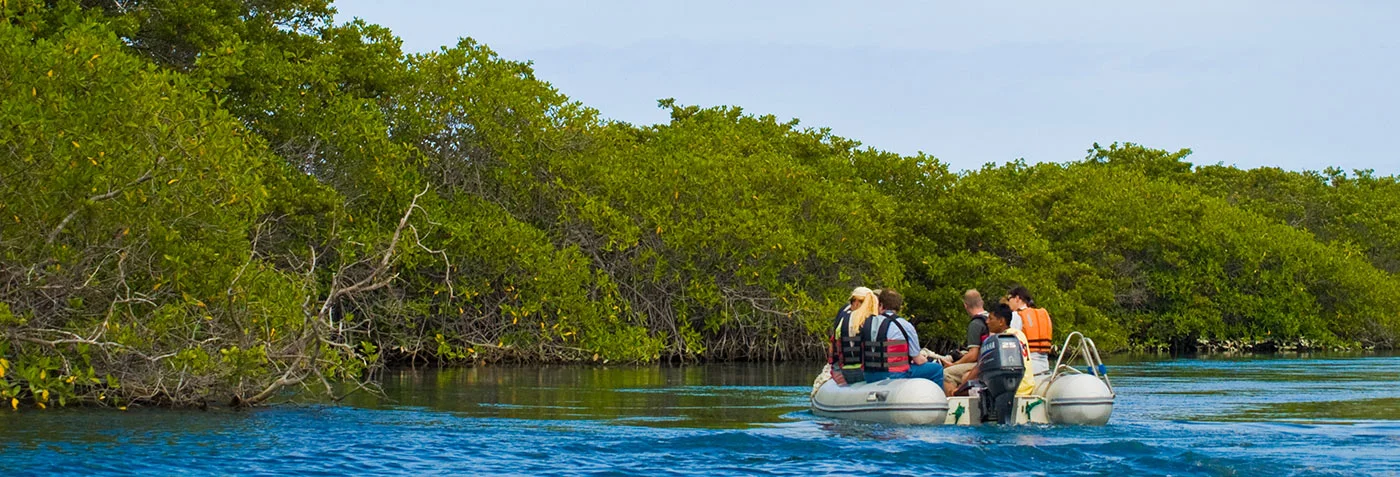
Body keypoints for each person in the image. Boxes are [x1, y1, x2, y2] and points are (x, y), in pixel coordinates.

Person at [859, 289, 945, 387]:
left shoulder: (866, 324)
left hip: (869, 375)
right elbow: (918, 360)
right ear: (899, 307)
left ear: (880, 304)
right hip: (895, 374)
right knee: (937, 369)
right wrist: (927, 360)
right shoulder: (905, 325)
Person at [960, 303, 1035, 396]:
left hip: (1013, 390)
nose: (987, 322)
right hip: (1027, 387)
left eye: (990, 318)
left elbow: (979, 368)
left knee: (965, 380)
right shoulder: (1019, 334)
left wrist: (959, 389)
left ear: (1001, 321)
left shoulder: (1000, 339)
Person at [941, 289, 990, 395]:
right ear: (981, 302)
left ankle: (954, 403)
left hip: (981, 364)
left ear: (965, 305)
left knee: (946, 374)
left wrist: (953, 364)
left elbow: (973, 355)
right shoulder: (992, 318)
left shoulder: (976, 323)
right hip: (991, 361)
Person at [828, 287, 878, 385]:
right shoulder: (874, 321)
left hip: (846, 371)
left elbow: (833, 348)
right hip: (866, 372)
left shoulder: (843, 321)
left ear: (855, 302)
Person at [1007, 286, 1053, 378]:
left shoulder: (1015, 316)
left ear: (1017, 298)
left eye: (1009, 299)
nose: (1008, 302)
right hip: (1044, 366)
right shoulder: (1042, 315)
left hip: (1027, 368)